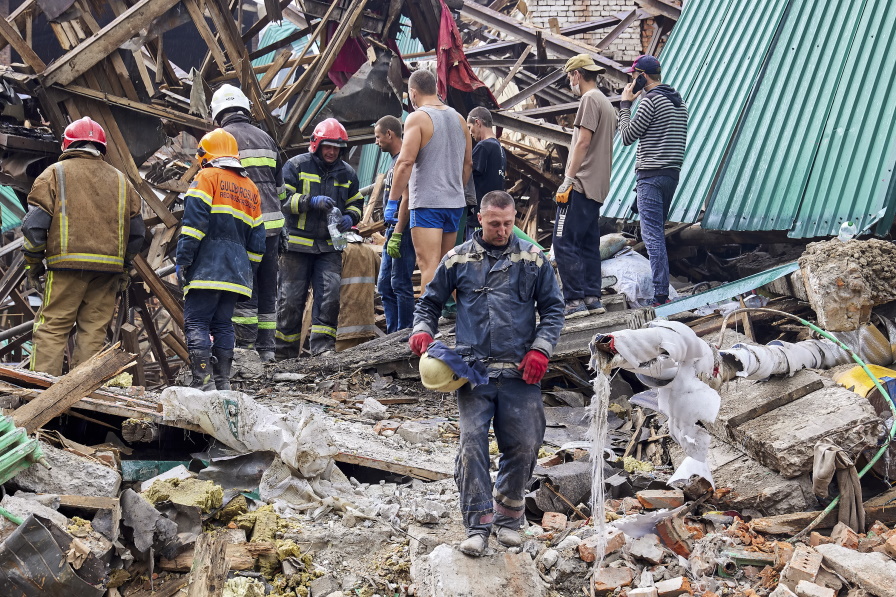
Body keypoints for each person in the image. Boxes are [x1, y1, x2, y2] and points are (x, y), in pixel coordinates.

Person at [408, 191, 564, 557]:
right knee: (472, 444)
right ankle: (477, 526)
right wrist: (421, 329)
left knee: (525, 443)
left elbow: (554, 310)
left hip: (520, 373)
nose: (502, 230)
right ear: (480, 219)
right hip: (473, 372)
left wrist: (541, 349)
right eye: (495, 224)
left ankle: (508, 517)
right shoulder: (458, 258)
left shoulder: (533, 258)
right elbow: (429, 303)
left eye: (508, 223)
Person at [22, 117, 145, 376]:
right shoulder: (122, 181)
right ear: (102, 147)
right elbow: (137, 233)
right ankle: (82, 398)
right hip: (108, 271)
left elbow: (33, 227)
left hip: (66, 268)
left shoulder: (54, 174)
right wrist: (125, 266)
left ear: (68, 144)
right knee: (93, 332)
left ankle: (41, 395)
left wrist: (33, 264)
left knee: (52, 328)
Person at [176, 128, 265, 390]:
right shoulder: (250, 188)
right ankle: (222, 382)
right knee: (223, 323)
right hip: (236, 274)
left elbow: (193, 227)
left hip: (206, 268)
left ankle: (202, 383)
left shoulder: (206, 177)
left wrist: (184, 260)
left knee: (197, 321)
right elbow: (258, 239)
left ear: (206, 155)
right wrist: (247, 269)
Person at [277, 118, 363, 358]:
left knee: (330, 299)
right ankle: (284, 355)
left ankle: (323, 351)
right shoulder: (295, 166)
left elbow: (357, 202)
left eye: (337, 147)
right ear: (316, 144)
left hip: (328, 248)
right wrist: (309, 202)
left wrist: (349, 217)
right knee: (290, 302)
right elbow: (282, 200)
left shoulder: (348, 174)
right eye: (328, 146)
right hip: (295, 247)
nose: (332, 151)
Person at [211, 84, 284, 362]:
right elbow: (280, 190)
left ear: (218, 113)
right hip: (272, 227)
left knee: (244, 289)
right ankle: (267, 350)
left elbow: (214, 186)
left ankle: (245, 349)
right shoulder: (266, 138)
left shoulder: (220, 139)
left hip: (242, 227)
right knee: (267, 288)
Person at [387, 69, 472, 295]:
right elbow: (468, 164)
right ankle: (453, 321)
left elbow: (404, 162)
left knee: (429, 266)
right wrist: (456, 189)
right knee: (447, 265)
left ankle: (427, 323)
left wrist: (392, 201)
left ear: (413, 93)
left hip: (427, 203)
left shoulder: (417, 118)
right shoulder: (460, 119)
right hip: (454, 204)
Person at [618, 55, 688, 306]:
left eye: (632, 76)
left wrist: (625, 105)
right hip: (671, 174)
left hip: (650, 175)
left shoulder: (649, 101)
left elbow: (627, 136)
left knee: (652, 236)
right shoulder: (679, 101)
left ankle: (660, 295)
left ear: (641, 76)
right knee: (657, 233)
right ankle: (662, 289)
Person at [554, 54, 617, 319]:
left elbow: (582, 142)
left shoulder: (589, 99)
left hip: (579, 185)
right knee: (588, 244)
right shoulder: (606, 103)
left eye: (570, 76)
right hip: (598, 187)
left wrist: (568, 178)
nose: (570, 81)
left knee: (562, 241)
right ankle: (593, 298)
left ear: (577, 74)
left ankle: (574, 302)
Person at [374, 115, 416, 334]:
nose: (376, 141)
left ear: (390, 134)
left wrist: (398, 231)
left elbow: (407, 198)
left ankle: (404, 332)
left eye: (378, 136)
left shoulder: (403, 160)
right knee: (384, 285)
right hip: (393, 230)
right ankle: (392, 334)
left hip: (404, 229)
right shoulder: (394, 162)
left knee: (400, 282)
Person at [466, 106, 506, 234]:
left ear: (478, 122)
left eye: (469, 127)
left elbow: (466, 174)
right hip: (495, 215)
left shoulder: (483, 146)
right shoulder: (500, 149)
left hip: (480, 217)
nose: (470, 133)